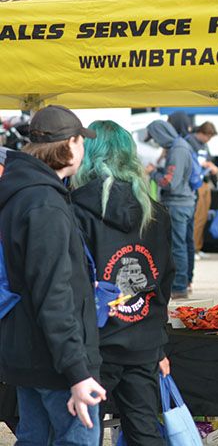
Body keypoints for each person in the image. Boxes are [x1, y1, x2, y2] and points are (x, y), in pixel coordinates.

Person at [0, 105, 105, 443]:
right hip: (56, 363)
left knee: (34, 438)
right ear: (70, 143)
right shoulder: (44, 202)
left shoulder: (22, 191)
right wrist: (78, 372)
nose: (83, 149)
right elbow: (53, 294)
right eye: (81, 141)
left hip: (29, 353)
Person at [70, 120, 175, 445]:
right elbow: (165, 281)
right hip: (142, 339)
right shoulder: (156, 213)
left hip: (95, 344)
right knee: (144, 431)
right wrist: (157, 339)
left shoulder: (75, 210)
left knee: (81, 434)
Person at [145, 120, 196, 299]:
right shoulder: (180, 146)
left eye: (155, 138)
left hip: (177, 204)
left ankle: (180, 286)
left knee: (177, 247)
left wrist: (153, 172)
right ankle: (185, 281)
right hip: (186, 203)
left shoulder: (177, 150)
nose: (156, 142)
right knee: (186, 245)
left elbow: (170, 183)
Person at [185, 121, 218, 261]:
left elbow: (209, 160)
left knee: (203, 217)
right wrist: (204, 164)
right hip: (196, 183)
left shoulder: (204, 145)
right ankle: (192, 248)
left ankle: (198, 247)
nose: (208, 140)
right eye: (208, 136)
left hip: (205, 182)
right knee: (197, 217)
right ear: (201, 133)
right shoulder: (189, 142)